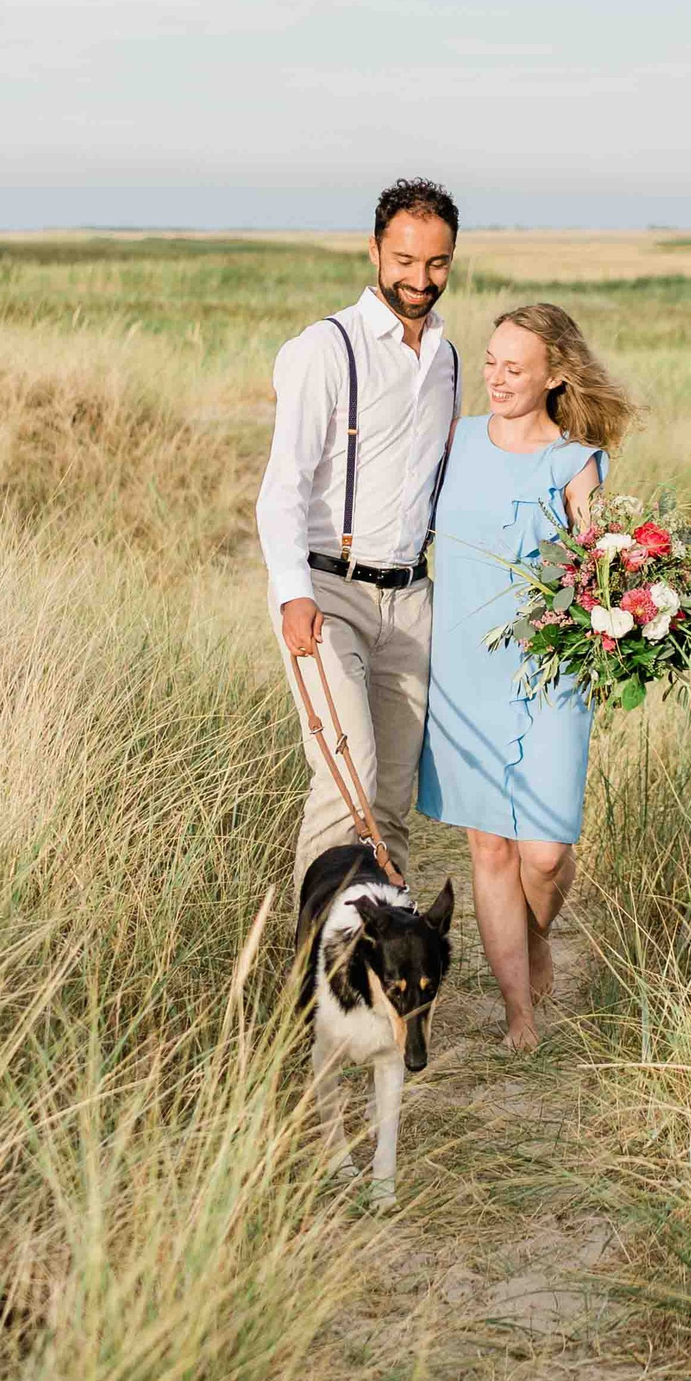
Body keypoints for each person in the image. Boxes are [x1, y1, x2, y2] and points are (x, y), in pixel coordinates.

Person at [418, 303, 640, 1050]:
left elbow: (601, 565)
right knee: (490, 848)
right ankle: (519, 1014)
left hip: (551, 670)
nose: (497, 378)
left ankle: (535, 937)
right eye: (491, 362)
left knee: (543, 854)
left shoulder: (573, 462)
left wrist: (631, 610)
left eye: (515, 368)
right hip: (465, 666)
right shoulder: (455, 441)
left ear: (554, 376)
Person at [257, 179, 463, 886]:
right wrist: (293, 594)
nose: (420, 279)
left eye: (436, 262)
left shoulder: (447, 359)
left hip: (410, 601)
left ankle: (383, 945)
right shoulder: (326, 347)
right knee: (348, 786)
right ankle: (311, 953)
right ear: (374, 250)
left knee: (392, 802)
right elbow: (282, 486)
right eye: (404, 260)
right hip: (327, 594)